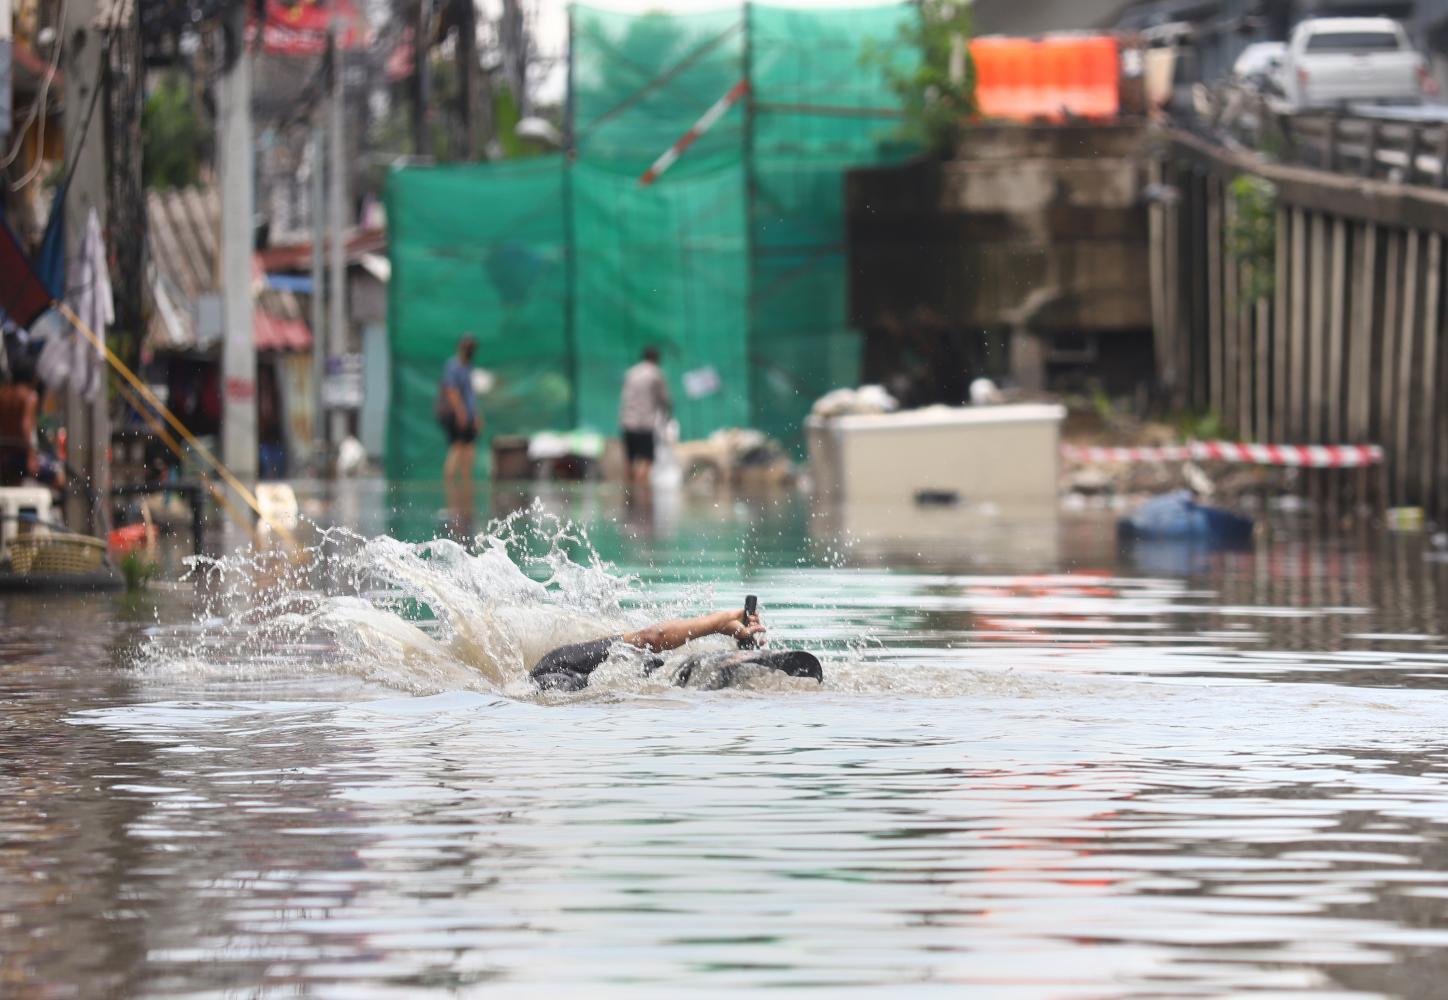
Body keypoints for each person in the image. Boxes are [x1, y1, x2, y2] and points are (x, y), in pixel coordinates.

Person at [531, 607, 765, 692]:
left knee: (647, 648)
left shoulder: (555, 668)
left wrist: (718, 624)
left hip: (557, 667)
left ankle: (725, 629)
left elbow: (652, 638)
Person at [0, 358, 64, 489]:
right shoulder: (30, 396)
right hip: (21, 455)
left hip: (4, 455)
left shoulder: (3, 394)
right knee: (59, 477)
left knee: (12, 484)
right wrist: (31, 457)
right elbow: (25, 426)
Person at [618, 346, 672, 485]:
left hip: (628, 421)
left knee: (630, 458)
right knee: (648, 459)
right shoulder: (656, 374)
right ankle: (639, 487)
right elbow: (664, 399)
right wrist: (667, 414)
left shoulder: (631, 372)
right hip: (645, 423)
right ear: (656, 359)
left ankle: (629, 488)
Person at [439, 335, 482, 492]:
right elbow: (452, 391)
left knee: (469, 450)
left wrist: (475, 415)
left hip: (468, 414)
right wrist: (460, 413)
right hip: (457, 415)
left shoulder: (469, 367)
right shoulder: (453, 366)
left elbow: (471, 394)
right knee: (457, 448)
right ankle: (449, 488)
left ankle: (465, 487)